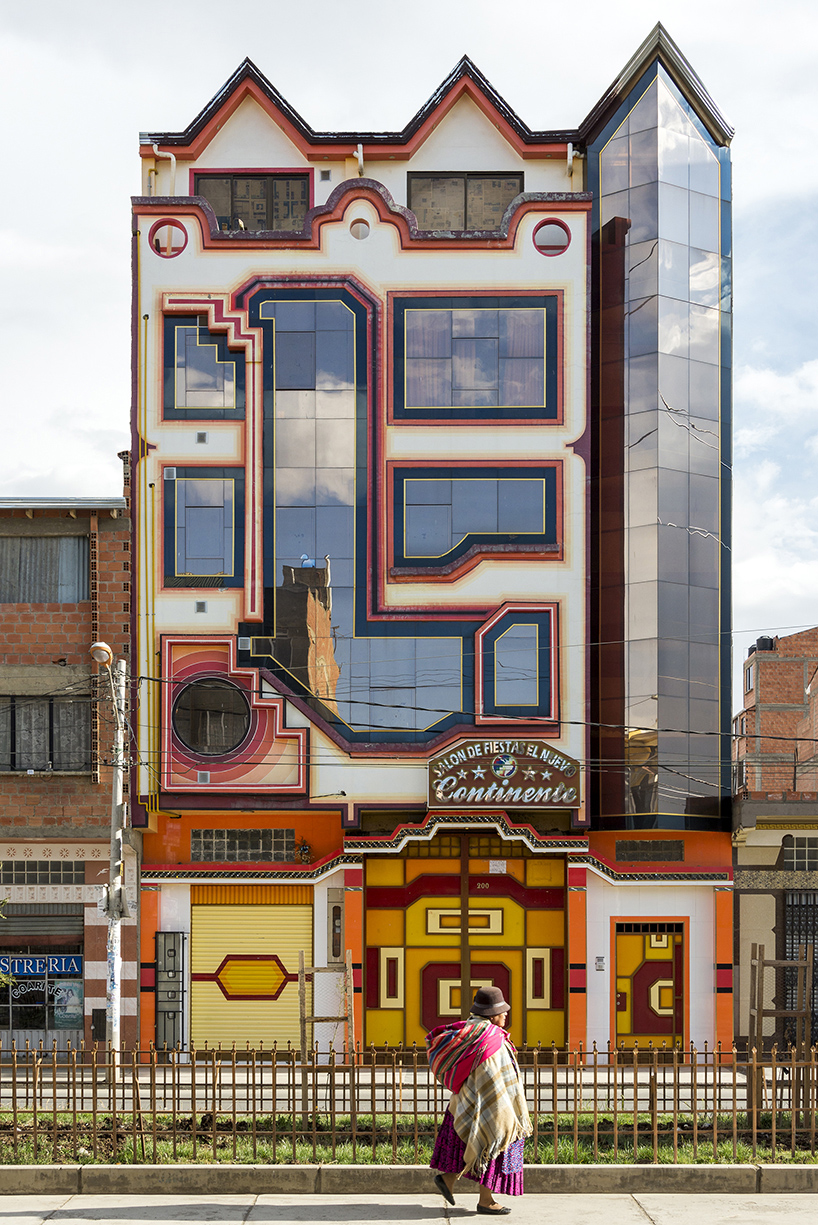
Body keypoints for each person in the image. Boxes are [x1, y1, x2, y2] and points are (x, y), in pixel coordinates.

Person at [427, 985, 532, 1215]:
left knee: (466, 1145)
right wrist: (503, 1108)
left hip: (465, 1102)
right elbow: (494, 1076)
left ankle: (448, 1180)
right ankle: (486, 1200)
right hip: (491, 1103)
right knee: (491, 1143)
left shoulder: (469, 1031)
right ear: (492, 1013)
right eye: (502, 1010)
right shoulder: (491, 1037)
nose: (506, 1014)